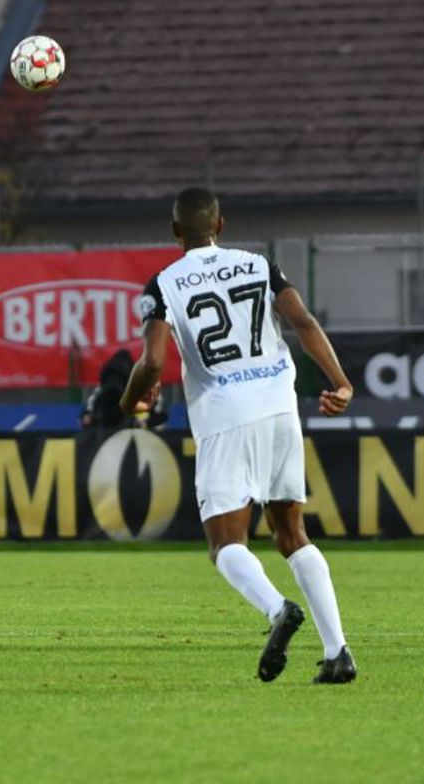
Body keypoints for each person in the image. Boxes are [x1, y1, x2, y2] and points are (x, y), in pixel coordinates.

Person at [120, 187, 357, 684]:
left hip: (225, 417)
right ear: (221, 225)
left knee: (225, 543)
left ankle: (277, 610)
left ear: (175, 232)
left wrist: (129, 401)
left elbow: (155, 361)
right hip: (278, 408)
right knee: (293, 536)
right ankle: (338, 653)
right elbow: (303, 321)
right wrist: (340, 381)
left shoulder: (162, 284)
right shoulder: (260, 266)